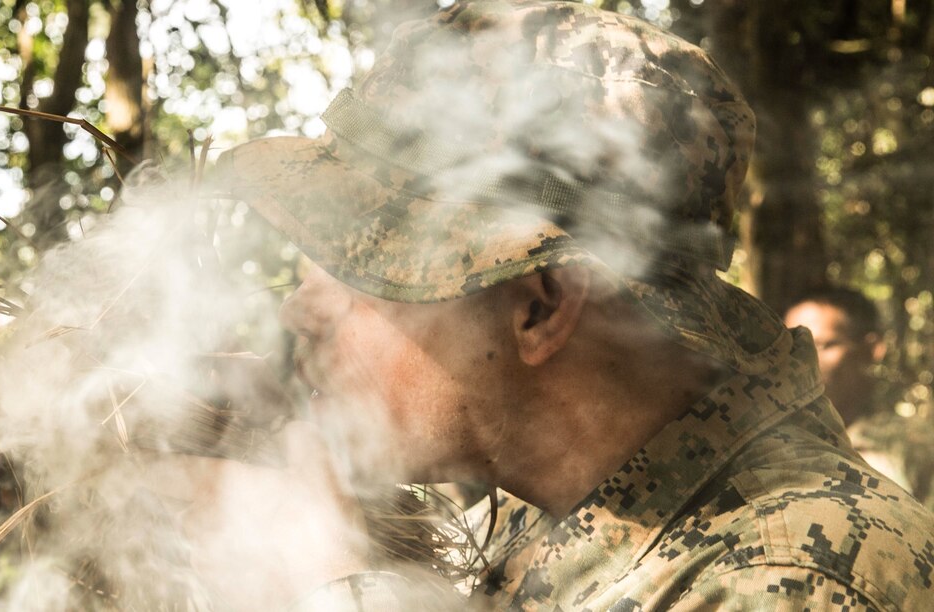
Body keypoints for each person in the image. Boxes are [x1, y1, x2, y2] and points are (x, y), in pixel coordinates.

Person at [183, 1, 934, 609]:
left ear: (539, 308)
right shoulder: (548, 501)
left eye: (358, 269)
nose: (302, 311)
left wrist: (335, 587)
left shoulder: (799, 577)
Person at [785, 288, 934, 508]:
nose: (803, 360)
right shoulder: (768, 445)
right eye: (792, 348)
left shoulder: (916, 446)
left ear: (871, 349)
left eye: (823, 345)